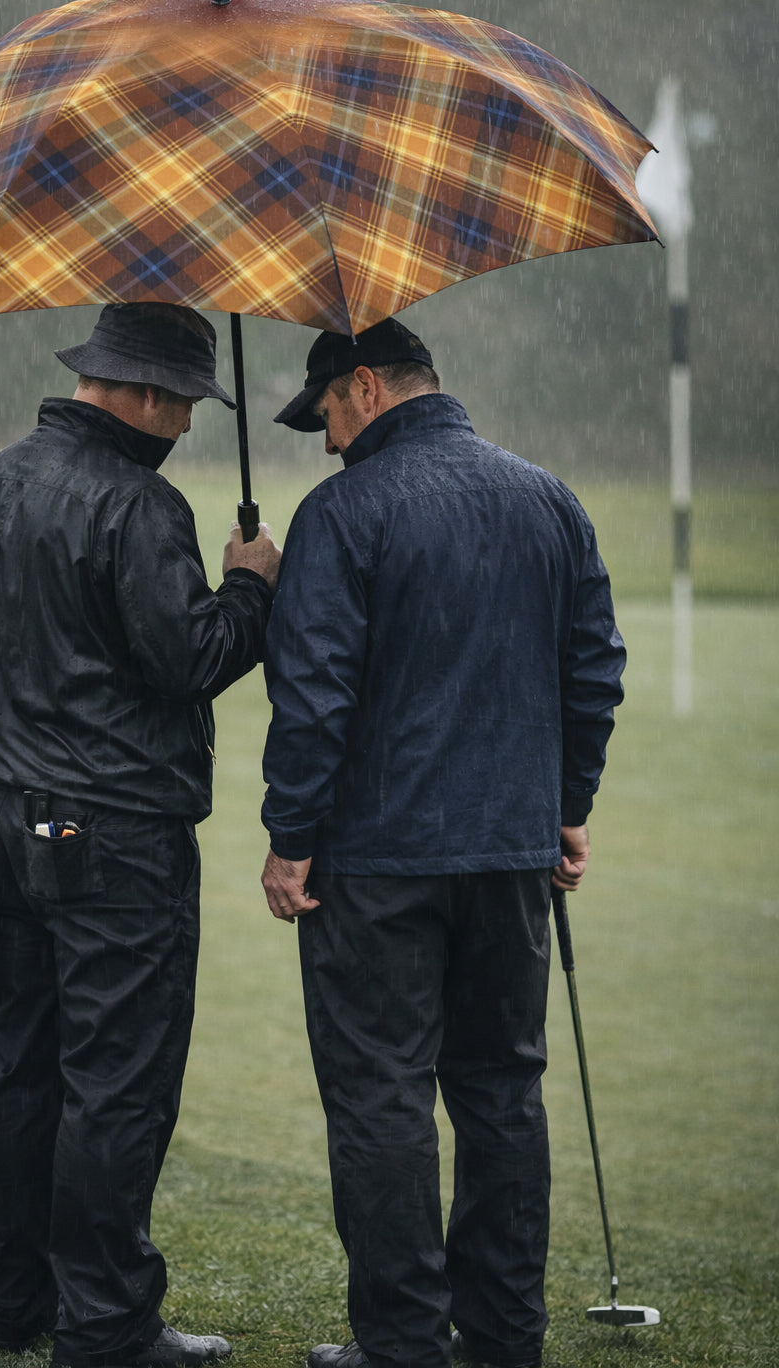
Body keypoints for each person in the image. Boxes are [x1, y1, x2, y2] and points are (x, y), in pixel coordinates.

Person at [258, 318, 625, 1368]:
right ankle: (504, 1337)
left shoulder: (339, 513)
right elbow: (592, 668)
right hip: (511, 860)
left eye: (325, 411)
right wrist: (565, 804)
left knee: (381, 1098)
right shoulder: (548, 498)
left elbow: (313, 696)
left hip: (373, 865)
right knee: (502, 1091)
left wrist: (291, 838)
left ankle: (402, 1343)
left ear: (364, 387)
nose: (325, 440)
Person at [0, 302, 282, 1365]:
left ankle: (14, 1305)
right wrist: (248, 588)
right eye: (180, 403)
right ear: (138, 393)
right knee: (116, 1080)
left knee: (17, 1062)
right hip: (113, 833)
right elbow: (187, 661)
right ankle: (107, 1323)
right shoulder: (139, 506)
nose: (183, 423)